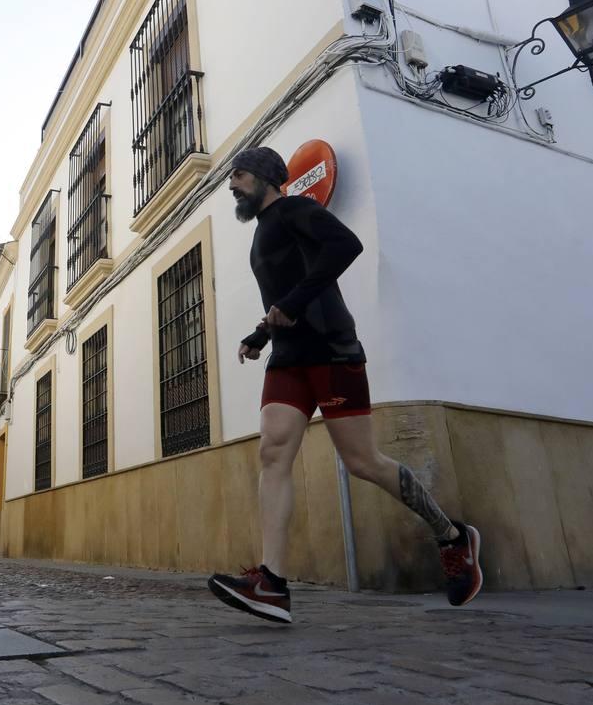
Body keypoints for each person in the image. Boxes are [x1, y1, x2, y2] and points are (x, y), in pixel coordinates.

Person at [206, 147, 482, 624]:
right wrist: (260, 334)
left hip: (332, 350)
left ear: (270, 177)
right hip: (288, 357)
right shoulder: (260, 237)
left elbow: (345, 247)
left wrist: (290, 305)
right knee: (272, 453)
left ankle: (453, 536)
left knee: (362, 462)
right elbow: (285, 296)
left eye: (240, 174)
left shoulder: (297, 209)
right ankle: (271, 584)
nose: (232, 185)